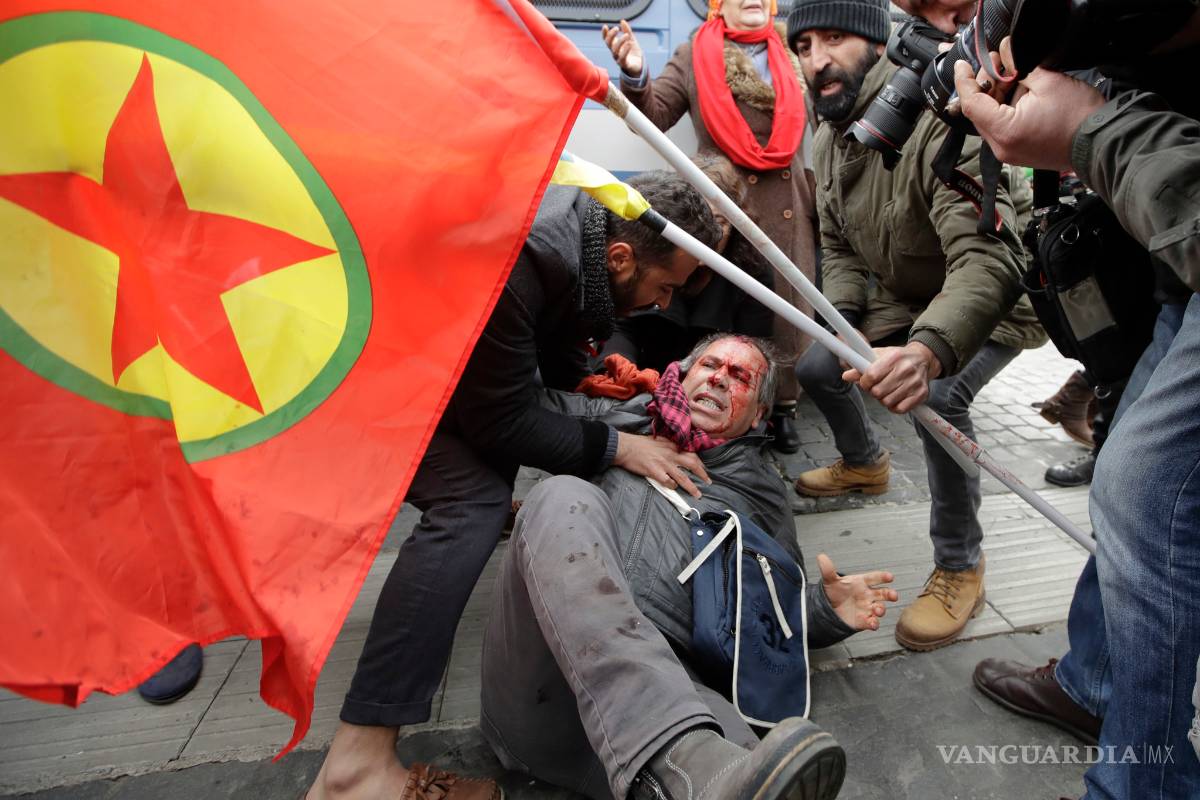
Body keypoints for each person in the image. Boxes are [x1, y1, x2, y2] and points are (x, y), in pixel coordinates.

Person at [306, 174, 722, 800]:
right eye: (663, 288)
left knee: (491, 473)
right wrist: (619, 445)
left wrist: (585, 378)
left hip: (415, 356)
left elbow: (551, 338)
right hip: (350, 367)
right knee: (469, 503)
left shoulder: (590, 227)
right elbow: (501, 419)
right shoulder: (523, 255)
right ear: (621, 257)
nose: (664, 304)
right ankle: (354, 766)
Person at [480, 334, 898, 800]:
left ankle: (695, 771)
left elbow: (769, 615)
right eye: (711, 365)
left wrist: (822, 611)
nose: (720, 377)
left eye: (740, 376)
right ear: (683, 373)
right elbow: (504, 409)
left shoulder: (762, 493)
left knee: (755, 772)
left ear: (759, 414)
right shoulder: (618, 417)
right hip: (547, 694)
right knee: (561, 496)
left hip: (679, 718)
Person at [951, 29, 1200, 797]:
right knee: (1130, 482)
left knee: (1142, 492)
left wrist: (1088, 133)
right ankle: (1095, 678)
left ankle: (1141, 784)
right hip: (1172, 274)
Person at [785, 0, 1044, 652]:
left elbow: (990, 260)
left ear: (876, 41)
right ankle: (864, 463)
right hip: (910, 293)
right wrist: (843, 320)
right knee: (819, 363)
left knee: (943, 397)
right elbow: (839, 246)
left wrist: (926, 352)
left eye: (836, 38)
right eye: (805, 44)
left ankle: (960, 565)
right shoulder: (830, 129)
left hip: (994, 300)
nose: (818, 60)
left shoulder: (937, 112)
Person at [602, 0, 819, 454]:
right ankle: (712, 402)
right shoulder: (694, 54)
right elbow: (656, 116)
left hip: (788, 208)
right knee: (718, 309)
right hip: (723, 206)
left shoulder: (795, 52)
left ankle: (780, 407)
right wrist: (637, 73)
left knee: (787, 314)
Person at [599, 153, 775, 373]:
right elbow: (622, 324)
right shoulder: (651, 249)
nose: (706, 237)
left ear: (736, 223)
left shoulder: (752, 274)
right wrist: (619, 369)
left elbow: (752, 353)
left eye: (719, 222)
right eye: (698, 223)